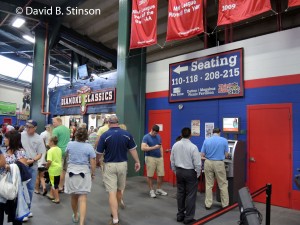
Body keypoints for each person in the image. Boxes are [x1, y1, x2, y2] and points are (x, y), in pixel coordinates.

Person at [96, 115, 140, 225]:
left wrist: (97, 161)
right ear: (118, 122)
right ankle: (116, 209)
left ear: (108, 123)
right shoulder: (127, 134)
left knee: (112, 193)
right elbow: (133, 149)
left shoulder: (105, 135)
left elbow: (99, 153)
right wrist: (137, 161)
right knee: (120, 190)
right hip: (123, 165)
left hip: (110, 165)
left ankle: (115, 218)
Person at [64, 128, 96, 225]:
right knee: (83, 198)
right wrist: (92, 173)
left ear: (75, 135)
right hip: (84, 173)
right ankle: (81, 223)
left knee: (73, 196)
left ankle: (75, 215)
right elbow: (93, 161)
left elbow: (66, 155)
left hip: (71, 172)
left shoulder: (70, 144)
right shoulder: (89, 147)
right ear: (86, 136)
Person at [170, 127, 201, 224]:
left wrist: (175, 171)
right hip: (190, 172)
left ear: (181, 134)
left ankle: (180, 215)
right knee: (191, 195)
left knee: (180, 193)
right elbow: (198, 164)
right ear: (190, 135)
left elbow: (172, 160)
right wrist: (198, 174)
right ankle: (188, 218)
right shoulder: (193, 147)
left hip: (179, 171)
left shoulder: (175, 145)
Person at [1, 130, 29, 224]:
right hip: (3, 184)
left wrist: (9, 166)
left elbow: (23, 167)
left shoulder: (20, 152)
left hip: (14, 186)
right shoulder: (5, 149)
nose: (4, 139)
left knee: (14, 212)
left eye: (6, 138)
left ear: (12, 139)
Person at [21, 120, 46, 218]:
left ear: (35, 128)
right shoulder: (21, 135)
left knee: (30, 189)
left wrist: (33, 159)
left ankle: (27, 209)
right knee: (20, 188)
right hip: (21, 165)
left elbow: (40, 154)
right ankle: (21, 211)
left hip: (32, 166)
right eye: (26, 126)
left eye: (30, 127)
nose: (27, 128)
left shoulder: (39, 138)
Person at [201, 128, 229, 209]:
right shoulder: (224, 140)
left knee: (209, 185)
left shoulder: (206, 140)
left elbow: (202, 154)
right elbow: (227, 155)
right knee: (223, 184)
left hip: (208, 162)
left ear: (212, 133)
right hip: (219, 163)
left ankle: (208, 204)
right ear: (219, 132)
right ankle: (225, 205)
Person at [141, 124, 167, 198]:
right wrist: (154, 147)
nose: (155, 134)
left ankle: (158, 189)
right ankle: (151, 190)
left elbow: (160, 146)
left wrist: (162, 156)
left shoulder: (158, 136)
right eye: (154, 133)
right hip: (150, 157)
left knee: (161, 174)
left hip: (159, 158)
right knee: (150, 175)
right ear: (152, 130)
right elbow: (143, 148)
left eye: (157, 133)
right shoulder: (146, 137)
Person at [52, 117, 70, 192]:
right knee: (64, 170)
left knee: (58, 170)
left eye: (54, 122)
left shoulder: (56, 130)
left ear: (59, 121)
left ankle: (57, 187)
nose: (53, 124)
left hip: (59, 151)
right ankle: (61, 186)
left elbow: (53, 141)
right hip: (68, 151)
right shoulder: (67, 129)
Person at [35, 124, 52, 195]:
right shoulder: (47, 149)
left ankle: (37, 190)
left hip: (38, 163)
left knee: (37, 177)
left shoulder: (43, 134)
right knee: (42, 176)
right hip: (43, 163)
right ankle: (44, 187)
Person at [45, 136, 62, 204]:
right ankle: (51, 195)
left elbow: (49, 161)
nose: (48, 143)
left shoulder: (50, 150)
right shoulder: (59, 149)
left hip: (53, 169)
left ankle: (57, 198)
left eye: (49, 141)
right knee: (55, 182)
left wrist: (47, 166)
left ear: (52, 142)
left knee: (54, 184)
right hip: (58, 168)